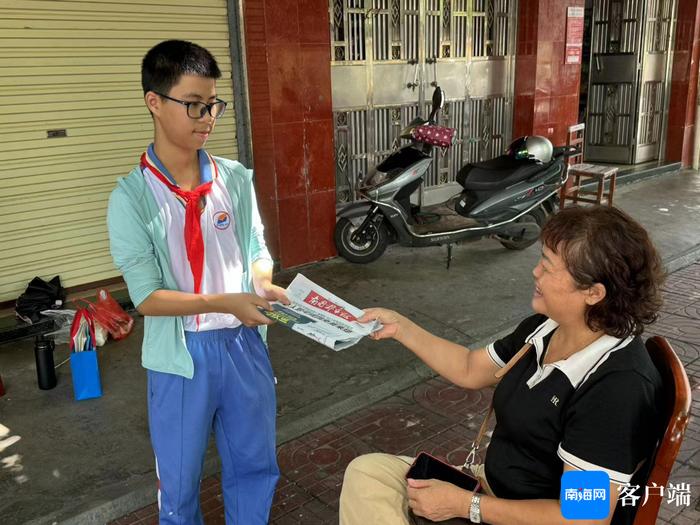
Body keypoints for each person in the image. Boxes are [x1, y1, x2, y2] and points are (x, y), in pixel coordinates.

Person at [340, 205, 666, 525]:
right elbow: (469, 367)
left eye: (548, 266)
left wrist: (467, 505)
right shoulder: (545, 327)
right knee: (369, 474)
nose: (535, 272)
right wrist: (401, 327)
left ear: (593, 293)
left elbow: (583, 517)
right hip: (492, 488)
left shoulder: (617, 387)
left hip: (524, 514)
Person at [107, 40, 286, 524]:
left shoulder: (234, 179)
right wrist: (223, 300)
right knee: (179, 482)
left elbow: (255, 250)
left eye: (213, 105)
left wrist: (263, 284)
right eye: (193, 104)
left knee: (254, 464)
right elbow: (146, 298)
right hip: (181, 356)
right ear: (154, 103)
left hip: (244, 344)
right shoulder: (133, 198)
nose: (207, 117)